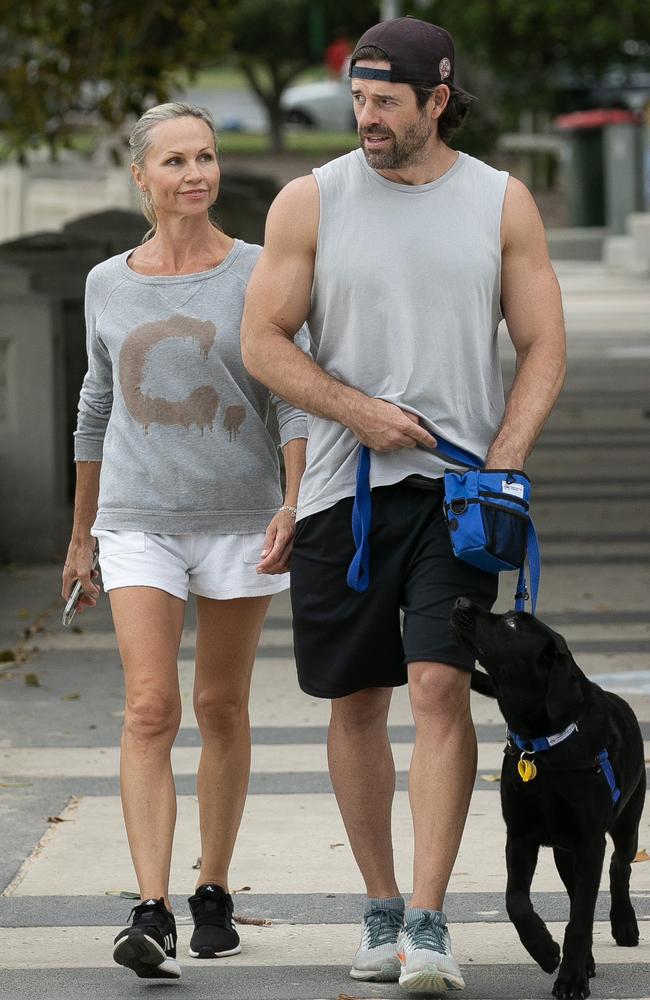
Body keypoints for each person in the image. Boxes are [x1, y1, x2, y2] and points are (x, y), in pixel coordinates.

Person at [241, 16, 566, 997]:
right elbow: (262, 338)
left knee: (435, 686)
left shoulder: (498, 203)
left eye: (386, 100)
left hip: (458, 496)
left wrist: (503, 458)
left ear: (437, 98)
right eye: (358, 99)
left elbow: (542, 345)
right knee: (355, 697)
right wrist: (357, 413)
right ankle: (379, 904)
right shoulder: (311, 200)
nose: (366, 117)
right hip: (346, 486)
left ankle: (427, 921)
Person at [61, 102, 307, 982]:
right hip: (137, 522)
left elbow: (289, 395)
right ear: (141, 176)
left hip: (242, 518)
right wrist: (82, 531)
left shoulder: (256, 273)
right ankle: (152, 908)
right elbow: (95, 406)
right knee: (149, 709)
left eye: (205, 157)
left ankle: (213, 887)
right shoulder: (106, 283)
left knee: (222, 709)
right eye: (175, 161)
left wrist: (294, 500)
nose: (195, 174)